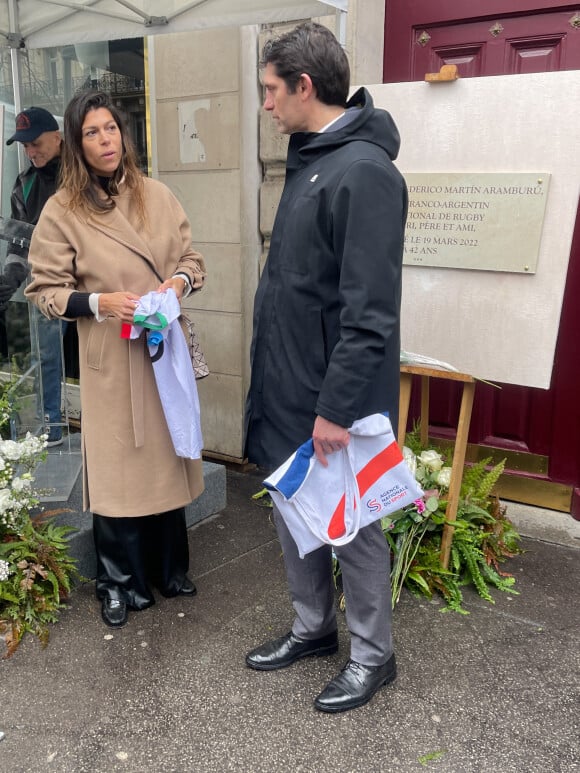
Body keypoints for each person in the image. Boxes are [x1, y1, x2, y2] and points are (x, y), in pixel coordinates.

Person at [244, 23, 408, 713]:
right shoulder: (312, 156)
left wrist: (336, 408)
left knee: (354, 529)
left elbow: (369, 313)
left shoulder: (364, 172)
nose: (266, 105)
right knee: (295, 514)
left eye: (270, 91)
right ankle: (313, 629)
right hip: (288, 387)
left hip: (333, 401)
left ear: (304, 86)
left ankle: (374, 655)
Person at [25, 90, 207, 629]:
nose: (105, 141)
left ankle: (169, 568)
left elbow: (193, 258)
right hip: (110, 354)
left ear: (123, 135)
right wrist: (99, 303)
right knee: (120, 469)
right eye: (91, 133)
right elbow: (45, 290)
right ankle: (117, 580)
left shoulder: (157, 194)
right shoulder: (63, 210)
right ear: (76, 145)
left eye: (111, 129)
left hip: (161, 350)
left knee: (167, 458)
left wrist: (177, 282)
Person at [1, 107, 68, 446]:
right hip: (46, 285)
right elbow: (17, 241)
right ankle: (52, 426)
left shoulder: (82, 175)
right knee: (47, 357)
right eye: (25, 146)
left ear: (57, 137)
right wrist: (10, 277)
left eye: (36, 143)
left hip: (92, 284)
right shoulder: (24, 183)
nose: (31, 152)